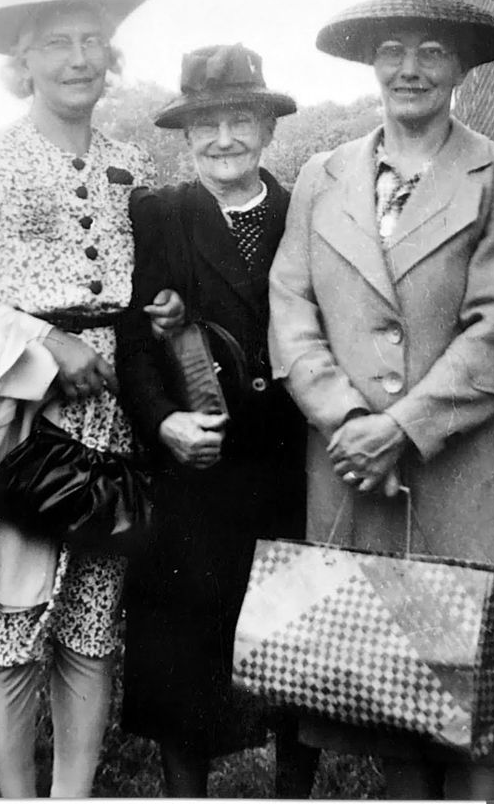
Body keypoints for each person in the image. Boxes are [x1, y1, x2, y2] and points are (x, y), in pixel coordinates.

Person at [0, 0, 180, 798]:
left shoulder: (133, 166)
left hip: (115, 424)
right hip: (16, 425)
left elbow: (142, 288)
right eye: (56, 43)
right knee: (12, 619)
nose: (79, 58)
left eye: (94, 40)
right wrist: (44, 344)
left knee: (92, 622)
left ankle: (74, 796)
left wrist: (160, 310)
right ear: (21, 63)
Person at [267, 0, 494, 801]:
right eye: (391, 50)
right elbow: (291, 309)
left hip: (467, 463)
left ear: (461, 65)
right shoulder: (321, 177)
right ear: (369, 64)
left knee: (472, 706)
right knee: (390, 692)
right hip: (354, 463)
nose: (410, 67)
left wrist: (402, 425)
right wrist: (346, 417)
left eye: (432, 50)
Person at [115, 43, 320, 798]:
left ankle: (292, 790)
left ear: (267, 128)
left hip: (290, 461)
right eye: (206, 126)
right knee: (184, 652)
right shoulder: (160, 216)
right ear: (185, 137)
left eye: (239, 120)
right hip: (194, 468)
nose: (224, 139)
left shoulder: (306, 208)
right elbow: (133, 340)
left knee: (296, 644)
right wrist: (163, 420)